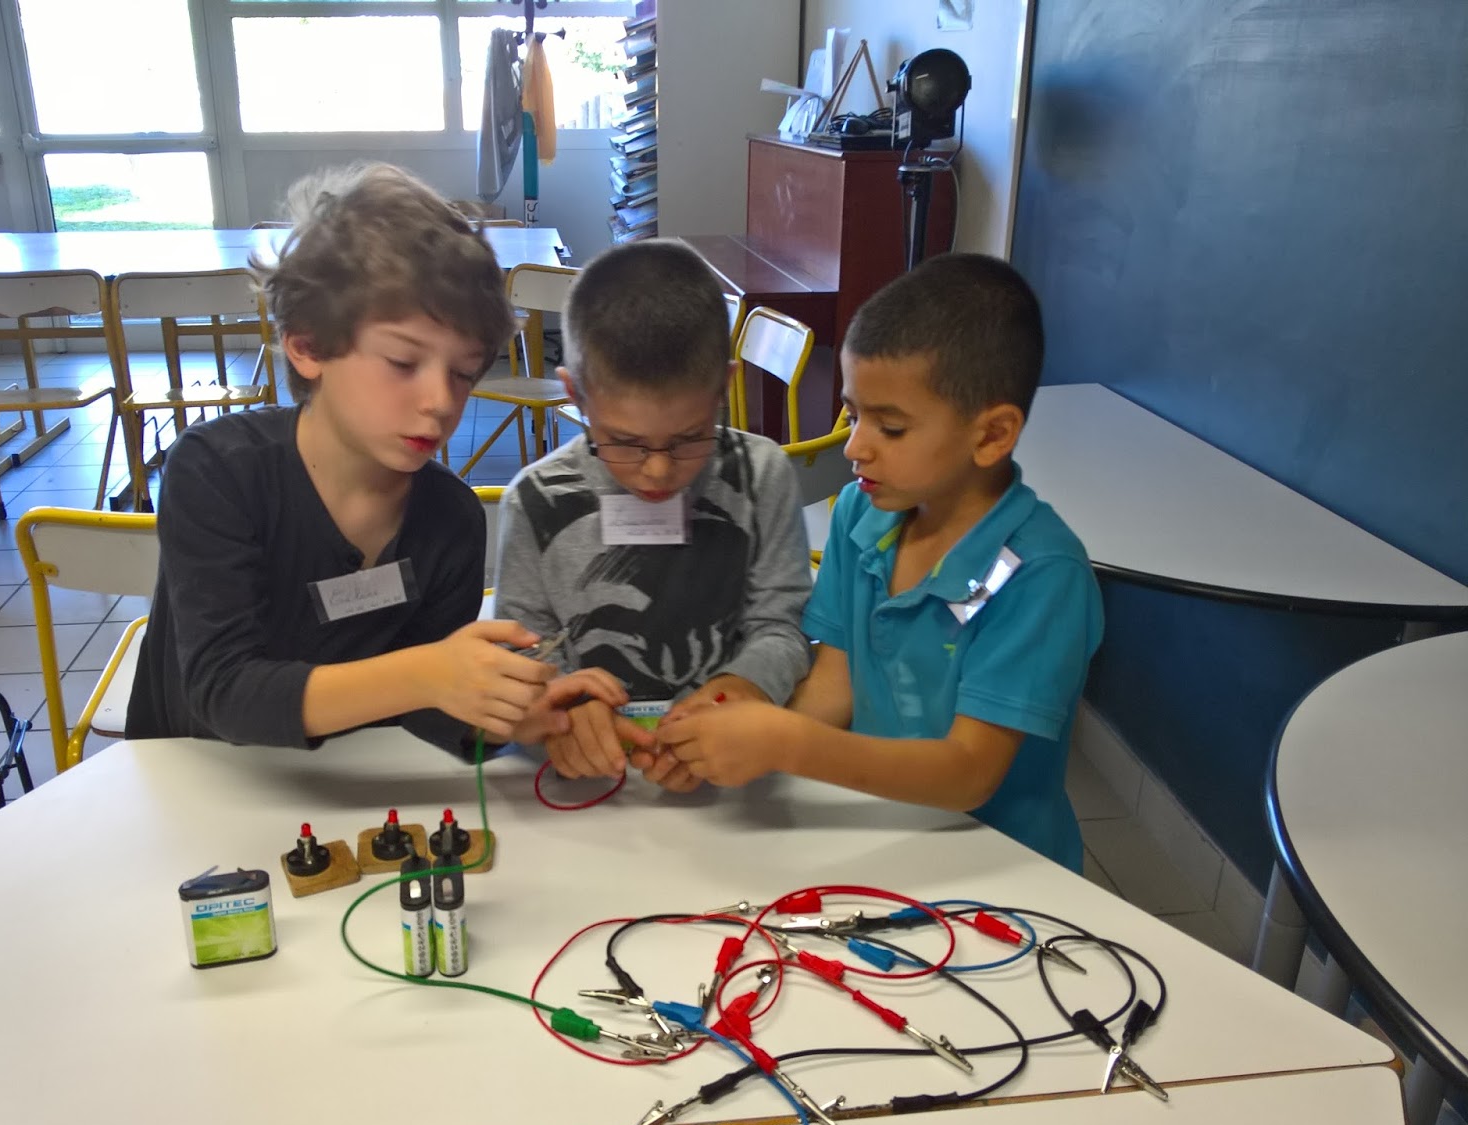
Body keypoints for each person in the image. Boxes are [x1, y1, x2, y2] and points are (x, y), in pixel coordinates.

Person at [127, 163, 617, 751]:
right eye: (403, 363)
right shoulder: (217, 471)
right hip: (194, 775)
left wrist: (508, 716)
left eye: (464, 373)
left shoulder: (451, 520)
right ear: (307, 345)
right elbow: (224, 691)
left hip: (353, 789)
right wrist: (427, 674)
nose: (441, 402)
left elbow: (425, 712)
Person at [658, 254, 1103, 870]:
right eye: (853, 414)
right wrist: (733, 740)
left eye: (890, 428)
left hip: (997, 867)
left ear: (992, 435)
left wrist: (788, 744)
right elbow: (835, 684)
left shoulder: (1042, 574)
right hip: (878, 835)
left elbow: (969, 773)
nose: (855, 446)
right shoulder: (861, 515)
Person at [492, 241, 813, 790]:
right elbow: (523, 652)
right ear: (575, 395)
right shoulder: (535, 500)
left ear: (723, 387)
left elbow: (781, 626)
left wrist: (739, 692)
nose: (658, 472)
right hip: (589, 781)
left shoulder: (762, 475)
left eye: (689, 438)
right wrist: (558, 715)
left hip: (733, 771)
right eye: (625, 442)